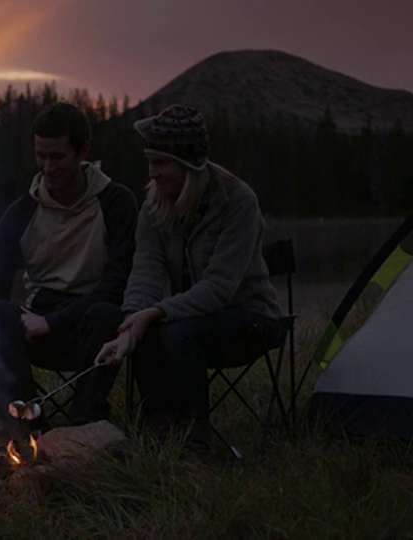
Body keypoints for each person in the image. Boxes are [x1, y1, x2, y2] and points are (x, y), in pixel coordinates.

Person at [94, 104, 283, 449]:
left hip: (251, 318)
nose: (152, 172)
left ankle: (197, 443)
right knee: (151, 332)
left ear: (190, 165)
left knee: (177, 332)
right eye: (149, 161)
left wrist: (154, 313)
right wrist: (129, 324)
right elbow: (146, 271)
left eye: (161, 163)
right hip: (195, 319)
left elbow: (219, 288)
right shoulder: (154, 207)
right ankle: (160, 433)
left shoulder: (239, 203)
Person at [0, 102, 139, 442]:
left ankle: (87, 428)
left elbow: (118, 283)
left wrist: (54, 321)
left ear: (82, 150)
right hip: (39, 326)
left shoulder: (116, 202)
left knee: (105, 312)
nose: (47, 167)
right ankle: (25, 422)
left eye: (57, 157)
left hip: (93, 326)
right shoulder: (22, 212)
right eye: (40, 156)